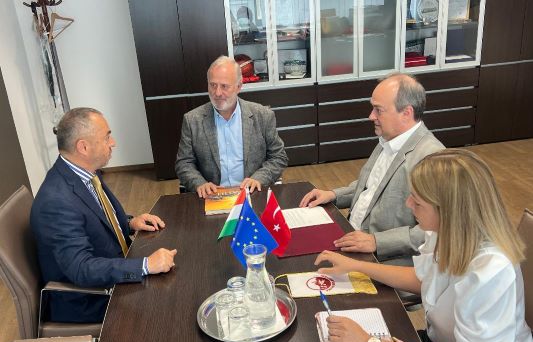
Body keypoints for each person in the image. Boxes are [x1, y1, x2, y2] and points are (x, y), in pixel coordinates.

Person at [314, 149, 533, 342]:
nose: (409, 204)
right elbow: (422, 279)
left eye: (417, 202)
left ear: (448, 211)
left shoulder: (491, 271)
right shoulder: (445, 231)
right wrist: (357, 266)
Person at [31, 108, 177, 323]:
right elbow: (81, 268)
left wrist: (129, 223)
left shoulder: (85, 172)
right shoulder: (56, 201)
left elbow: (94, 217)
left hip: (110, 267)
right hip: (88, 298)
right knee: (172, 306)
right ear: (83, 147)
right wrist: (145, 266)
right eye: (107, 137)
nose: (113, 143)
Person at [300, 73, 444, 263]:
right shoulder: (388, 139)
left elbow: (438, 230)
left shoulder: (432, 158)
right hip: (352, 238)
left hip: (385, 260)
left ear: (406, 113)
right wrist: (333, 195)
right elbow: (371, 188)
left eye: (378, 110)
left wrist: (377, 241)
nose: (371, 116)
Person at [175, 56, 288, 198]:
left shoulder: (263, 115)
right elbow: (184, 163)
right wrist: (199, 183)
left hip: (252, 194)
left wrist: (259, 178)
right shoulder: (192, 120)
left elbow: (278, 156)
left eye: (224, 86)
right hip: (212, 196)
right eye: (213, 85)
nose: (217, 93)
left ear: (239, 86)